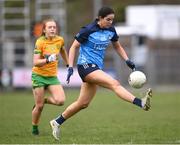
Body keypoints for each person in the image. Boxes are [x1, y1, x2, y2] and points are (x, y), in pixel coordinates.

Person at [49, 6, 152, 140]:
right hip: (85, 67)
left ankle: (56, 122)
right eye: (108, 19)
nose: (110, 22)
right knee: (114, 83)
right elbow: (74, 46)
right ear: (100, 19)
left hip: (96, 67)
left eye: (112, 20)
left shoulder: (111, 30)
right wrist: (70, 66)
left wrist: (127, 60)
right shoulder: (88, 30)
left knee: (83, 103)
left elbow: (117, 46)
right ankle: (141, 103)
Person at [31, 18, 69, 135]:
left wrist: (68, 64)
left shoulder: (60, 40)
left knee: (61, 101)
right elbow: (35, 62)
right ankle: (34, 128)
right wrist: (47, 59)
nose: (53, 29)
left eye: (54, 27)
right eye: (50, 27)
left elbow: (62, 50)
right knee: (39, 107)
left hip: (52, 76)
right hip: (39, 76)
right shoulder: (40, 42)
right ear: (44, 30)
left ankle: (45, 100)